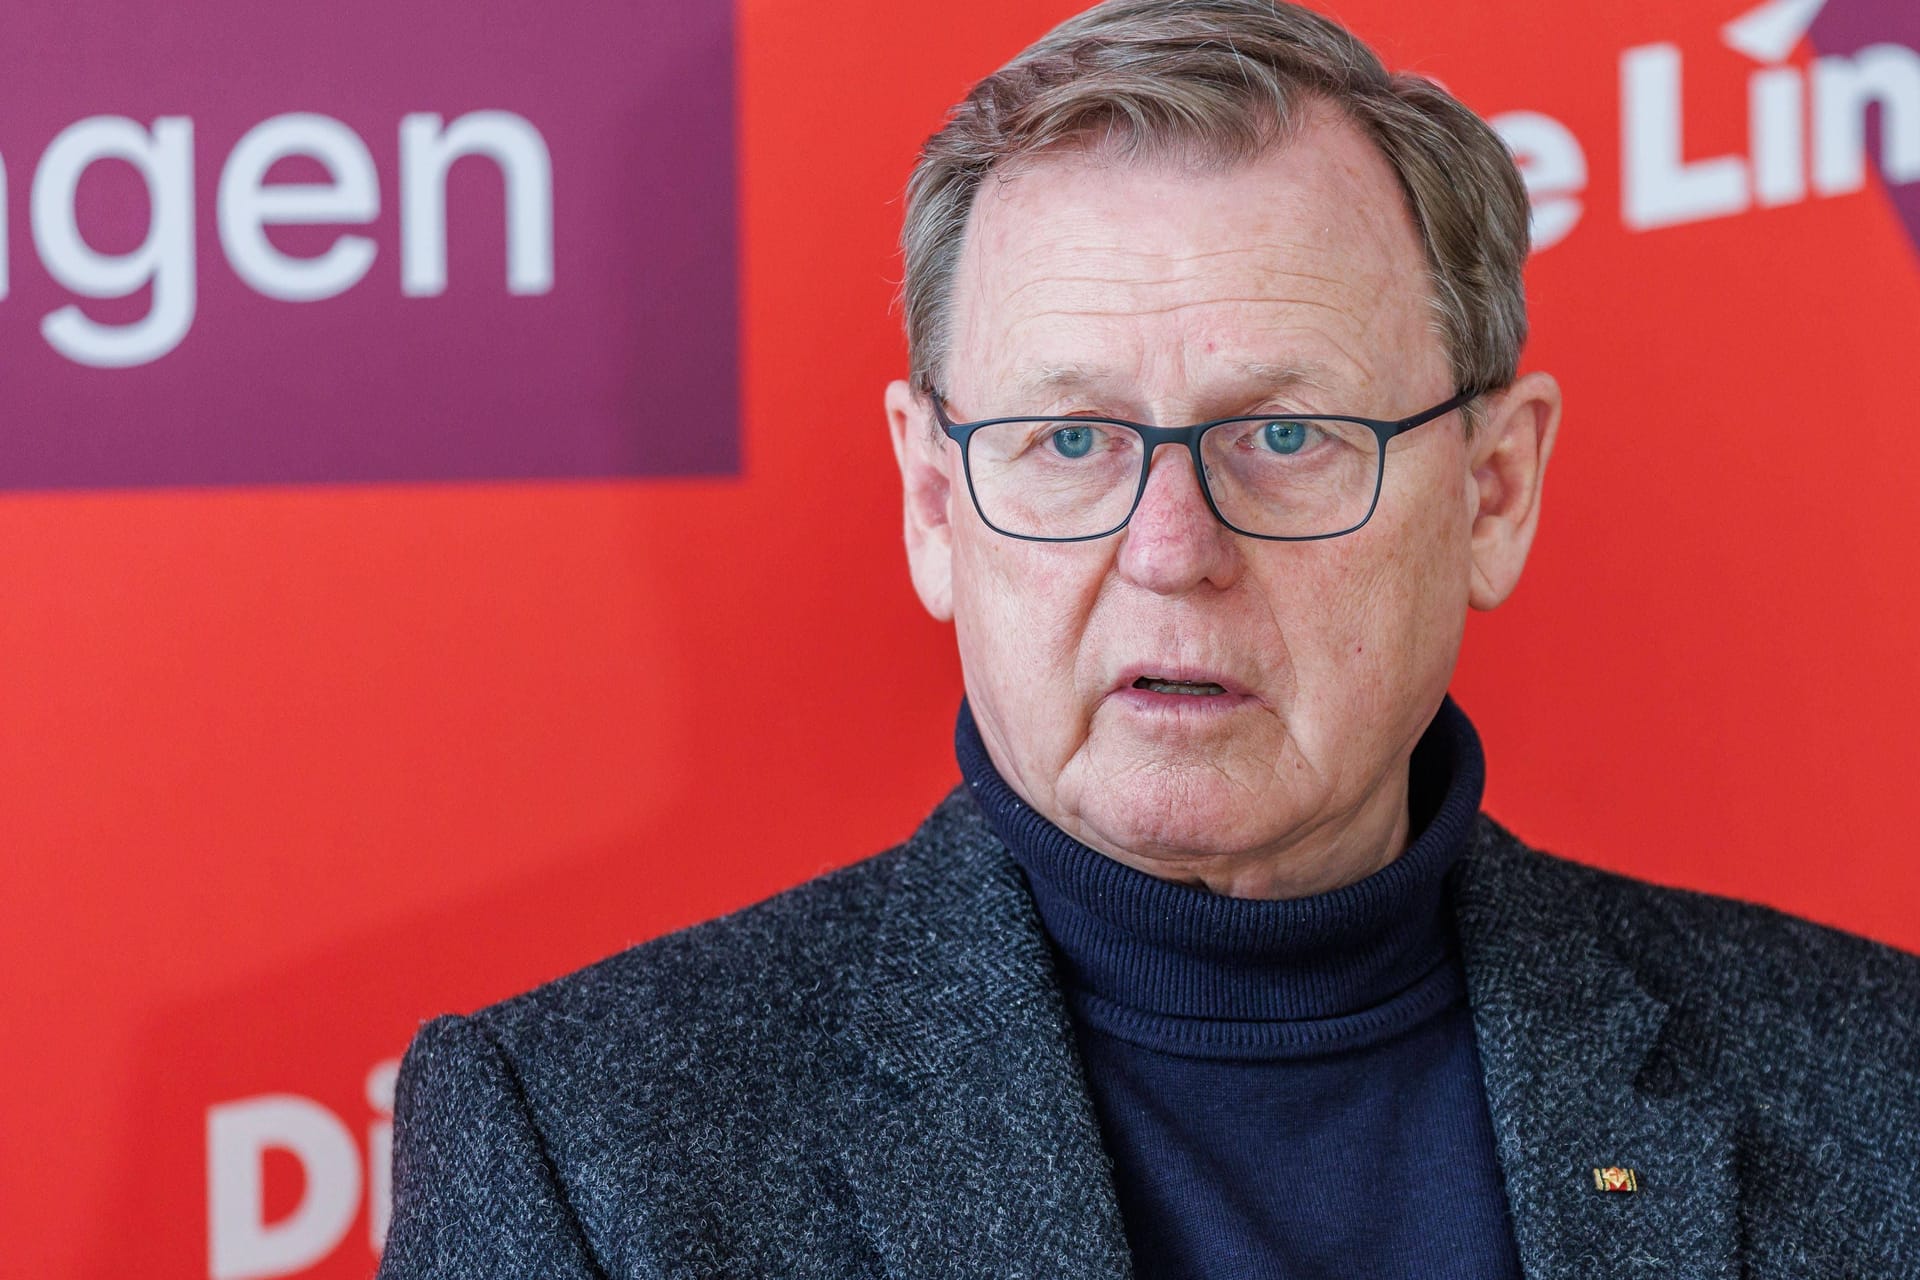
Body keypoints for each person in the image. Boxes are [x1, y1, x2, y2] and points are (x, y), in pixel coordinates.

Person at [376, 1, 1920, 1275]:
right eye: (1068, 443)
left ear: (1495, 492)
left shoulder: (1878, 1087)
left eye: (1289, 433)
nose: (1172, 553)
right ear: (933, 502)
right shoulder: (584, 1149)